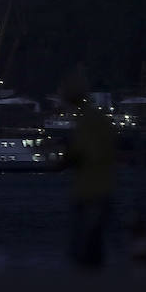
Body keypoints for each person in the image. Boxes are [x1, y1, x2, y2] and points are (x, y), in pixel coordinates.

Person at [61, 64, 116, 269]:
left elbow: (84, 153)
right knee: (95, 243)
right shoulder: (99, 118)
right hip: (105, 187)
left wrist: (61, 161)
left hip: (89, 191)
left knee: (84, 245)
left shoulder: (85, 121)